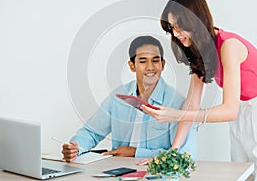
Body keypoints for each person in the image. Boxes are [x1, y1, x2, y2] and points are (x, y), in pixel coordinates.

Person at [141, 0, 257, 181]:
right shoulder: (198, 52)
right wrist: (173, 151)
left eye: (179, 26)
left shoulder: (228, 46)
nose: (176, 33)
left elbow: (229, 110)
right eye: (171, 28)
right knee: (242, 175)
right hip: (242, 115)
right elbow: (192, 103)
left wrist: (175, 114)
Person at [62, 35, 196, 162]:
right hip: (118, 169)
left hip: (156, 172)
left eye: (155, 60)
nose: (150, 67)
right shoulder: (118, 97)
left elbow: (183, 156)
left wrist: (135, 152)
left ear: (163, 64)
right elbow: (92, 132)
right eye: (143, 61)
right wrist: (76, 147)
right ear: (132, 66)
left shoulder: (177, 104)